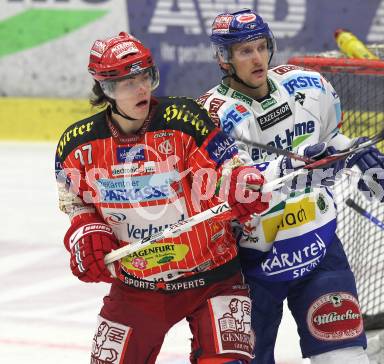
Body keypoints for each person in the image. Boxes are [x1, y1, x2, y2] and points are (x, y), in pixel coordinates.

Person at [198, 9, 384, 364]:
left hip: (317, 248)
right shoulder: (209, 117)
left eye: (262, 47)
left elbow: (331, 139)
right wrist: (291, 166)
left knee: (347, 358)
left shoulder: (308, 85)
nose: (258, 58)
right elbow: (220, 187)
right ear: (224, 58)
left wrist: (359, 157)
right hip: (247, 267)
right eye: (245, 51)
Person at [55, 31, 270, 364]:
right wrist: (85, 226)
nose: (142, 88)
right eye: (129, 83)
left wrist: (238, 181)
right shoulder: (77, 145)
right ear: (107, 90)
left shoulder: (184, 119)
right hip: (136, 283)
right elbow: (74, 198)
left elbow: (226, 164)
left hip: (213, 274)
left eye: (146, 77)